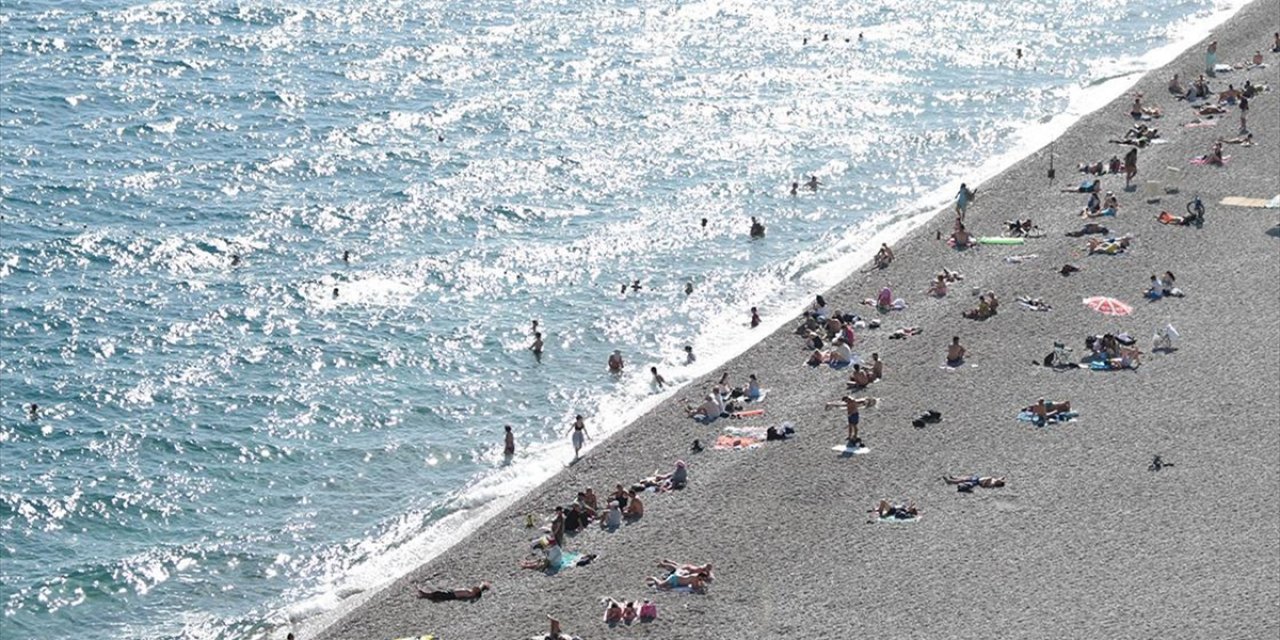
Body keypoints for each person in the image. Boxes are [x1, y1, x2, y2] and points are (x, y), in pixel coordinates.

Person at [415, 581, 491, 602]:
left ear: (475, 592)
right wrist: (483, 584)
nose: (475, 587)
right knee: (438, 593)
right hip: (452, 592)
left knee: (437, 594)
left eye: (476, 589)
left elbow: (476, 594)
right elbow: (479, 588)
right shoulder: (473, 592)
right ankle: (423, 594)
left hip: (452, 595)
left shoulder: (470, 593)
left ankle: (423, 595)